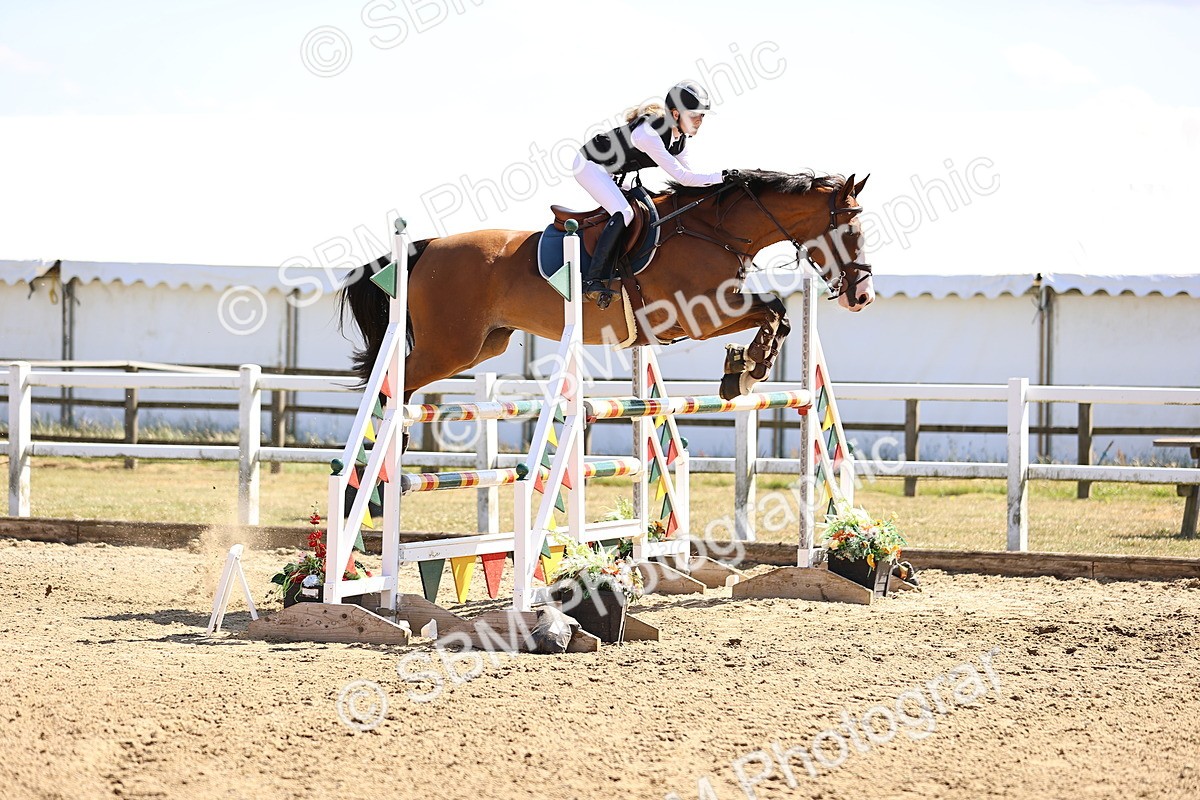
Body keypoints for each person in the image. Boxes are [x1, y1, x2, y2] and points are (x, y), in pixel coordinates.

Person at [574, 81, 733, 304]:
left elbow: (691, 178)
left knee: (650, 207)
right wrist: (724, 176)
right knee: (625, 212)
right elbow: (683, 178)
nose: (699, 120)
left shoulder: (679, 141)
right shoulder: (648, 134)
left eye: (702, 115)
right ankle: (592, 279)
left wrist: (721, 187)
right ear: (675, 114)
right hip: (589, 165)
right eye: (694, 115)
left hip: (613, 172)